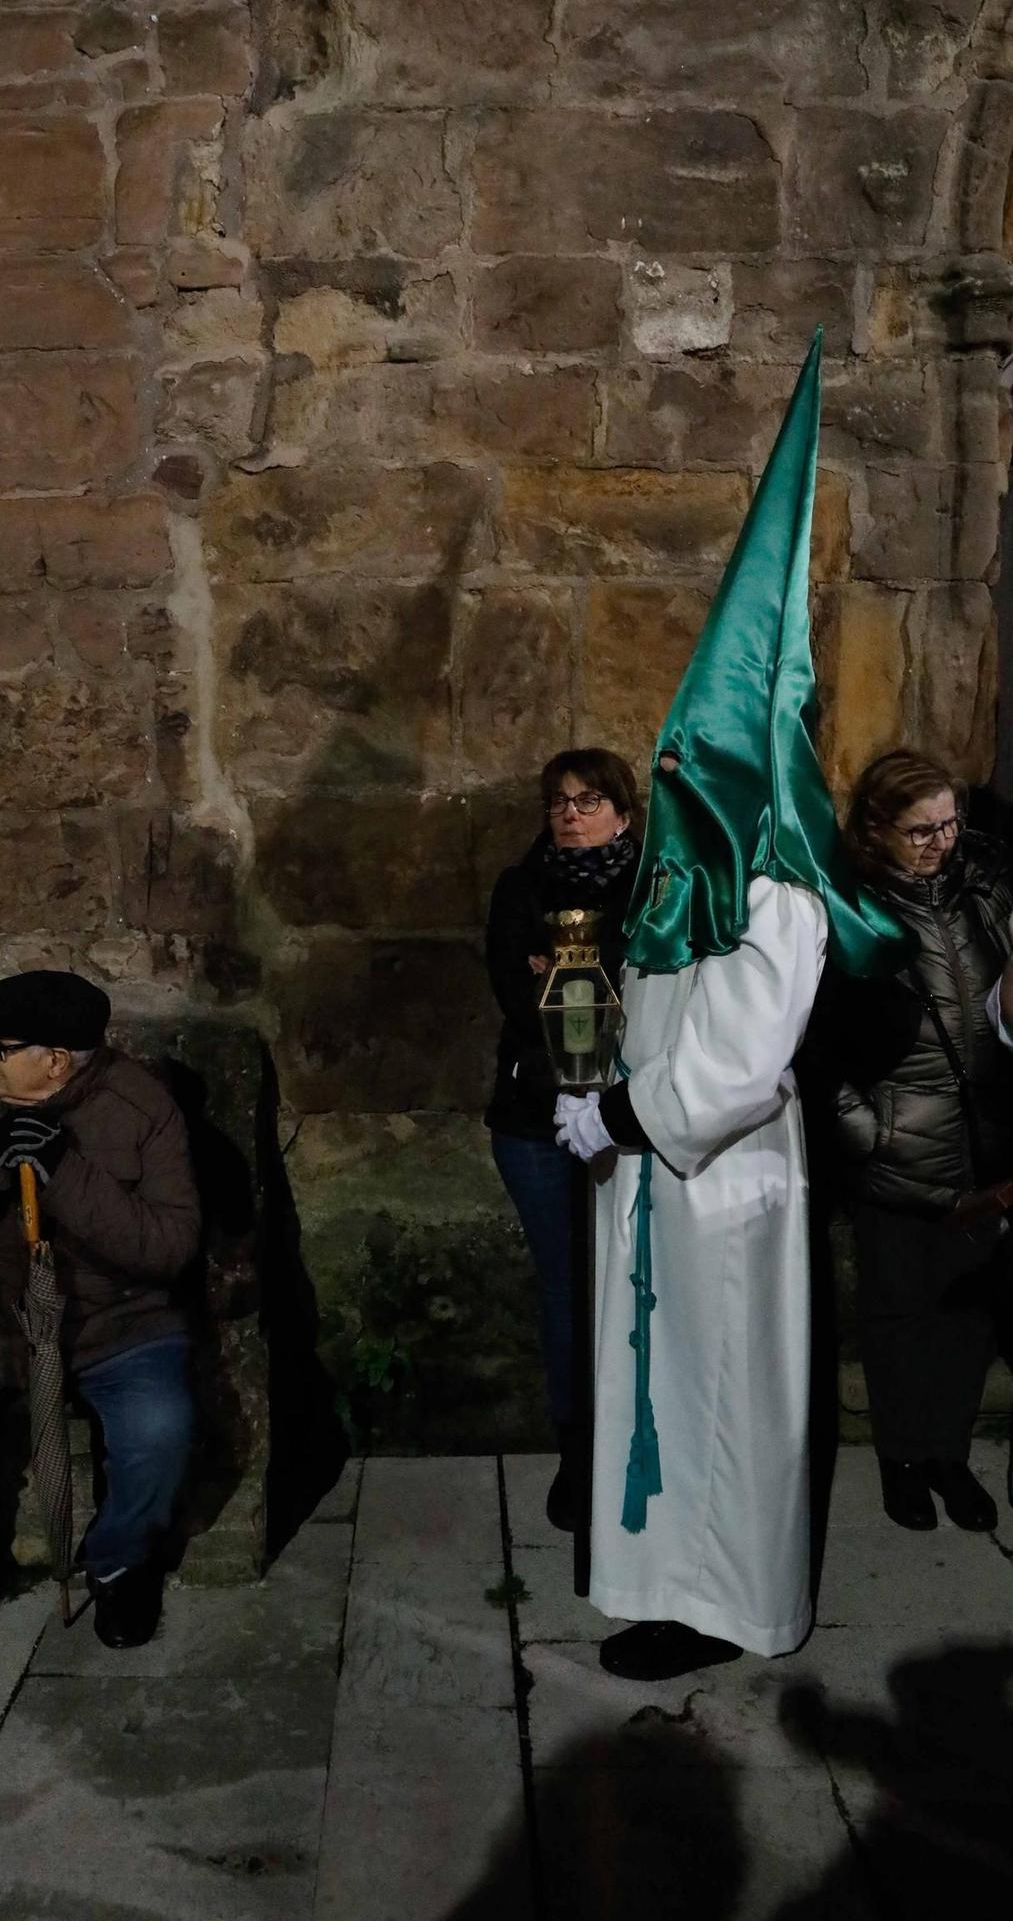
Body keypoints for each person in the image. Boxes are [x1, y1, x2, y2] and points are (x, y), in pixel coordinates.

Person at [554, 332, 908, 1680]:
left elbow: (747, 1064)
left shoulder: (781, 895)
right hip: (651, 1172)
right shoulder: (684, 881)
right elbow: (652, 1016)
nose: (675, 776)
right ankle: (659, 1582)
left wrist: (630, 1122)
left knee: (718, 1403)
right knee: (654, 1382)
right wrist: (594, 1090)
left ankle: (728, 1605)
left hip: (717, 1179)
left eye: (692, 758)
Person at [0, 970, 201, 1657]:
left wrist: (66, 1170)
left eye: (2, 1045)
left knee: (160, 1429)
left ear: (54, 1060)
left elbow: (167, 1248)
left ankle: (117, 1563)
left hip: (113, 1323)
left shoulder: (143, 1109)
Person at [824, 749, 1013, 1532]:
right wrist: (867, 1138)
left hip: (983, 1144)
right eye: (920, 830)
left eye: (949, 823)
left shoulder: (982, 892)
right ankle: (900, 1459)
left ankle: (946, 1453)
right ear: (876, 829)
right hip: (897, 1148)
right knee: (897, 1313)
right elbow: (817, 1048)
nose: (941, 841)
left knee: (966, 1311)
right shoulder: (849, 912)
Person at [485, 747, 640, 1527]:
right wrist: (561, 984)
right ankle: (576, 1452)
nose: (570, 815)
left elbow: (644, 991)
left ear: (622, 810)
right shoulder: (522, 887)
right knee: (565, 1287)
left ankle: (635, 1441)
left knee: (635, 1286)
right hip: (536, 1116)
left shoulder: (654, 888)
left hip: (632, 1117)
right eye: (557, 802)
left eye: (587, 800)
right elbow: (517, 993)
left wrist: (577, 973)